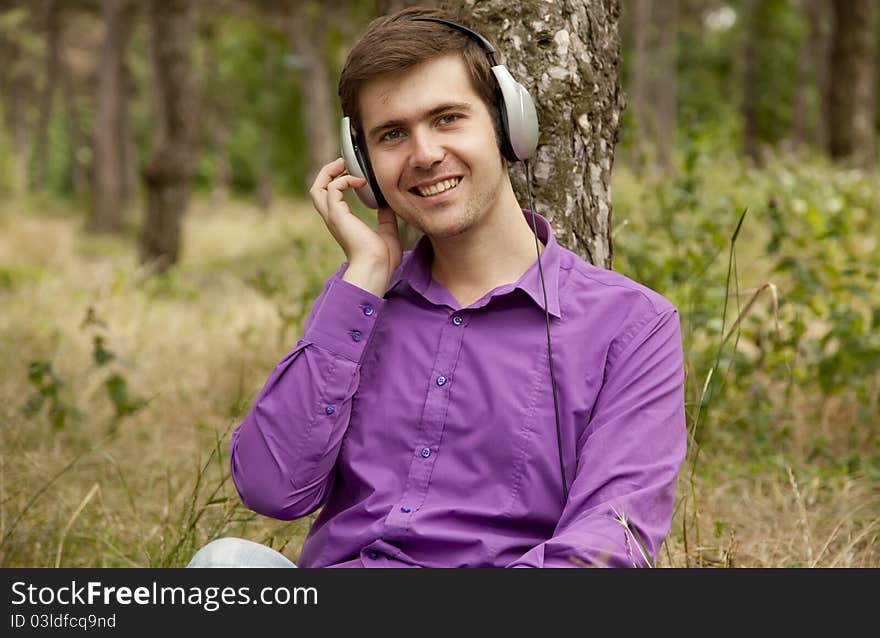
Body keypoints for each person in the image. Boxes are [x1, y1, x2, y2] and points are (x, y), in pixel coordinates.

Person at [188, 6, 686, 569]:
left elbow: (609, 540)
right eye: (392, 134)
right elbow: (271, 489)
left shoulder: (632, 326)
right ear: (366, 166)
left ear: (506, 125)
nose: (424, 155)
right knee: (225, 563)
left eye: (448, 118)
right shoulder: (358, 307)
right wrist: (366, 276)